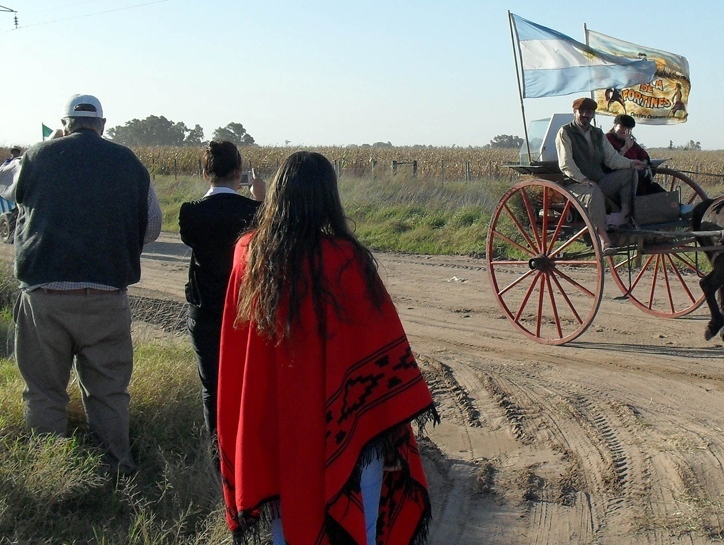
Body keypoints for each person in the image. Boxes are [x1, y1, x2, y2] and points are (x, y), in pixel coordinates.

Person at [217, 151, 438, 545]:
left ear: (278, 195)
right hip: (345, 431)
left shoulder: (248, 254)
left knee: (284, 533)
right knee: (359, 531)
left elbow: (235, 359)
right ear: (327, 198)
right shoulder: (345, 258)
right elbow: (379, 351)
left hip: (273, 431)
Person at [0, 94, 162, 475]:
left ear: (66, 123)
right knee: (108, 392)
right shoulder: (129, 162)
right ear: (103, 125)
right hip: (106, 295)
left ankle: (49, 471)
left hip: (45, 295)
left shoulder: (39, 156)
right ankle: (118, 469)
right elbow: (153, 225)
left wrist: (49, 145)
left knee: (44, 391)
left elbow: (6, 184)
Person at [178, 140, 265, 460]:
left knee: (212, 389)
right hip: (247, 311)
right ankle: (250, 454)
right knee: (248, 387)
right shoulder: (256, 212)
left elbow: (191, 240)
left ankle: (219, 457)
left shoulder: (191, 213)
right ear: (239, 172)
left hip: (205, 311)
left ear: (205, 173)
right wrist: (261, 200)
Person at [556, 97, 648, 229]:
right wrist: (583, 179)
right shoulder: (565, 132)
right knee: (594, 191)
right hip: (575, 184)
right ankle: (602, 237)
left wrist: (632, 163)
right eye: (582, 111)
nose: (585, 115)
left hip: (599, 181)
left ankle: (624, 216)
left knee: (630, 173)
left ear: (593, 115)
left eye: (589, 112)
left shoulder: (598, 133)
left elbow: (612, 159)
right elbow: (566, 163)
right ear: (574, 112)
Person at [605, 114, 664, 195]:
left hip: (639, 178)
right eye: (622, 127)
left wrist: (644, 162)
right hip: (621, 180)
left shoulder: (630, 140)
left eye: (628, 129)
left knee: (656, 189)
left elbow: (642, 153)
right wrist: (626, 147)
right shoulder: (607, 140)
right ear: (615, 125)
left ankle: (678, 206)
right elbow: (613, 161)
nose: (625, 131)